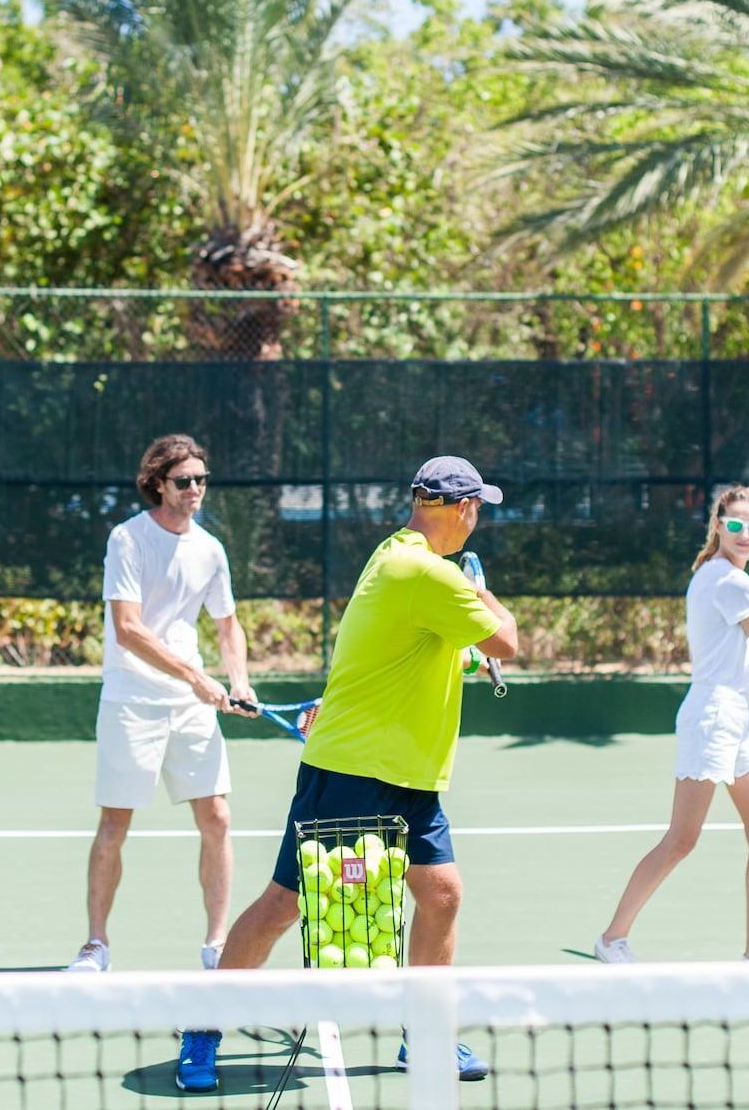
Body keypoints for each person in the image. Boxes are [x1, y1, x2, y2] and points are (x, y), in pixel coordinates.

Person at [171, 456, 520, 1094]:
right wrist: (480, 585)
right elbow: (508, 643)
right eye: (479, 508)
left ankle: (426, 1033)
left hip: (409, 776)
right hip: (352, 771)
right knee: (285, 903)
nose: (479, 520)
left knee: (442, 894)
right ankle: (202, 1024)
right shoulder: (427, 571)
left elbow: (411, 645)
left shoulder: (397, 554)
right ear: (463, 508)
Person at [65, 435, 253, 975]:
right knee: (115, 824)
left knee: (217, 817)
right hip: (133, 699)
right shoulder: (127, 540)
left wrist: (237, 680)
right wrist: (196, 676)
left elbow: (227, 623)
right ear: (158, 484)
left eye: (201, 480)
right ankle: (95, 945)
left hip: (191, 706)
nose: (195, 490)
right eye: (184, 481)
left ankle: (217, 945)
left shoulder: (210, 550)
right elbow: (128, 629)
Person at [593, 484, 749, 965]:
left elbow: (733, 657)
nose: (745, 534)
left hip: (738, 713)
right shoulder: (729, 580)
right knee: (682, 839)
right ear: (719, 525)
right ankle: (612, 939)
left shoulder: (714, 573)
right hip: (712, 718)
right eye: (736, 525)